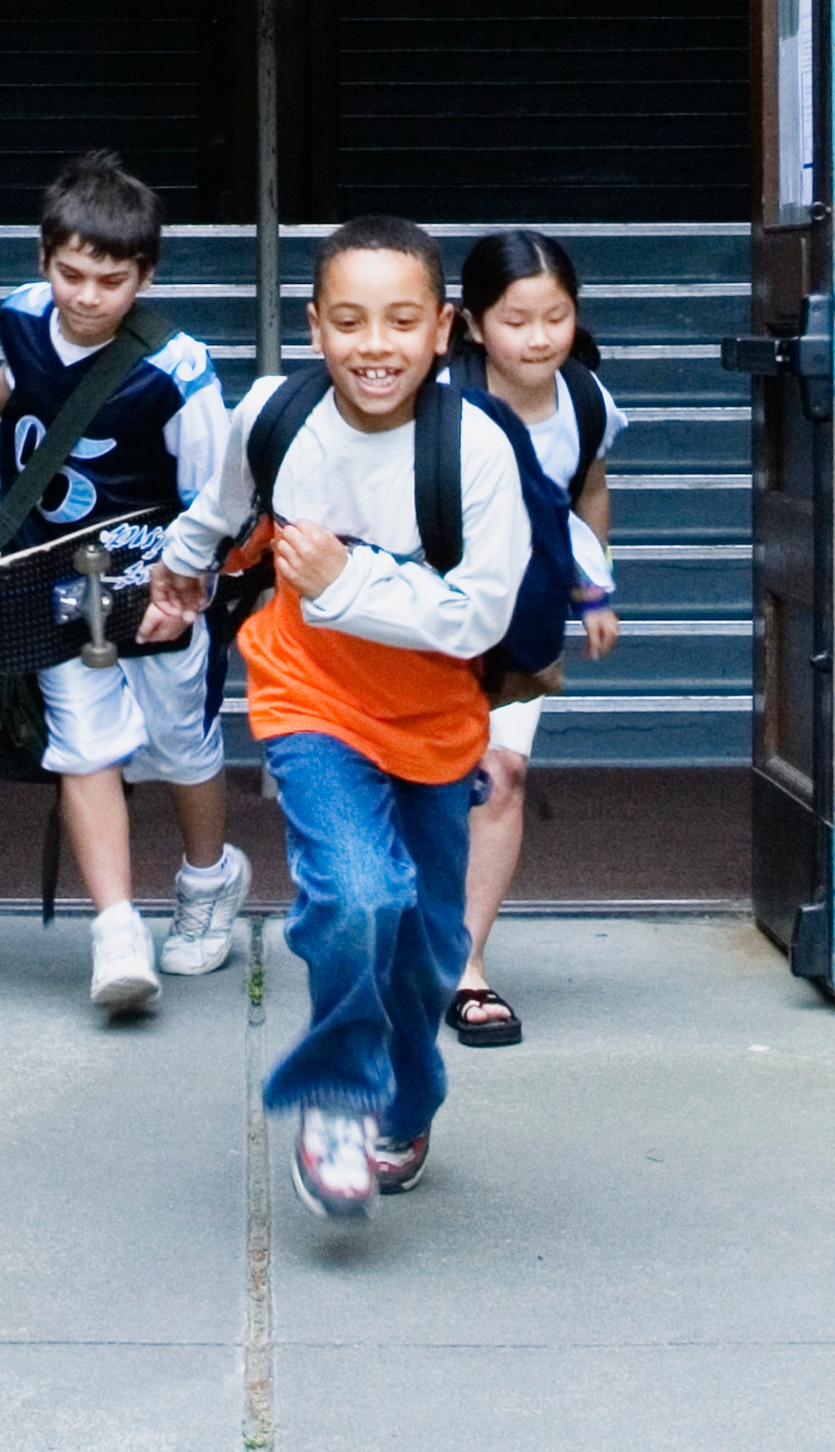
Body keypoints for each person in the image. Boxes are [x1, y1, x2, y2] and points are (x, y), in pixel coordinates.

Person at [140, 215, 532, 1222]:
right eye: (349, 319)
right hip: (307, 697)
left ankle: (402, 1103)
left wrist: (345, 581)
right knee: (358, 895)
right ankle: (340, 1095)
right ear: (314, 327)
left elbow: (478, 615)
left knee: (424, 943)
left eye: (401, 320)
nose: (375, 344)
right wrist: (181, 571)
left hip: (438, 723)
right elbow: (221, 504)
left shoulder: (478, 446)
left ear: (442, 330)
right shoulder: (275, 411)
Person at [0, 146, 247, 1014]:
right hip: (47, 586)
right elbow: (21, 385)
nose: (87, 295)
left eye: (111, 280)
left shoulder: (178, 372)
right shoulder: (22, 316)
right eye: (71, 274)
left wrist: (185, 592)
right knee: (85, 745)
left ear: (145, 274)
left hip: (153, 590)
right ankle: (116, 932)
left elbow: (217, 498)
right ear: (43, 260)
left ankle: (210, 882)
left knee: (180, 745)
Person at [441, 228, 623, 1049]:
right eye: (517, 320)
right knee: (425, 779)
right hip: (431, 617)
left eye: (556, 316)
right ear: (475, 325)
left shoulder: (585, 399)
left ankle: (464, 965)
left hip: (526, 615)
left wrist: (593, 590)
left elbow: (587, 490)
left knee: (502, 772)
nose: (540, 336)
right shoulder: (436, 398)